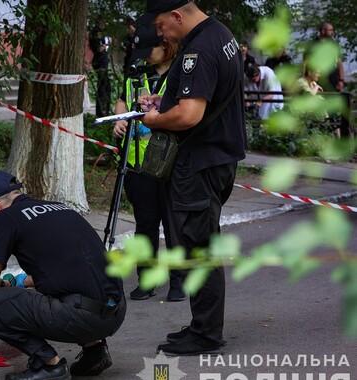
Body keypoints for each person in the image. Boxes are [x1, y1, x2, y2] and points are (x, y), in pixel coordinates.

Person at [138, 0, 247, 356]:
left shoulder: (197, 50)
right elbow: (202, 96)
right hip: (219, 157)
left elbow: (189, 116)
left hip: (199, 162)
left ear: (177, 15)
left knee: (198, 247)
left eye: (160, 25)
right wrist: (165, 100)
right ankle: (203, 323)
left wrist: (153, 120)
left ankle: (206, 333)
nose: (160, 34)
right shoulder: (222, 35)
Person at [0, 170, 126, 380]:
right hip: (116, 312)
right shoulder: (61, 208)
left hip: (81, 318)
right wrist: (22, 282)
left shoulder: (6, 217)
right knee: (78, 292)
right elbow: (70, 268)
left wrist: (5, 286)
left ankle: (48, 364)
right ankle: (95, 351)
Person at [112, 20, 185, 302]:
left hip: (170, 163)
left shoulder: (181, 73)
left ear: (166, 45)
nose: (144, 54)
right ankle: (147, 279)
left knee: (173, 223)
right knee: (145, 225)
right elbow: (122, 100)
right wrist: (119, 121)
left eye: (149, 48)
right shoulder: (135, 73)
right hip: (137, 165)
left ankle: (179, 280)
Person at [89, 20, 112, 117]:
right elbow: (99, 48)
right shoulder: (96, 32)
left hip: (102, 61)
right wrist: (106, 45)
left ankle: (104, 111)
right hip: (100, 62)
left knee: (106, 87)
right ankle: (101, 112)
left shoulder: (101, 32)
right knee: (102, 88)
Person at [315, 21, 345, 93]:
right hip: (318, 78)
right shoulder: (314, 44)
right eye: (330, 30)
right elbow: (306, 63)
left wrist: (341, 80)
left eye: (333, 30)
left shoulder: (334, 44)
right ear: (323, 31)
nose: (332, 32)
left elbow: (339, 62)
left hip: (332, 77)